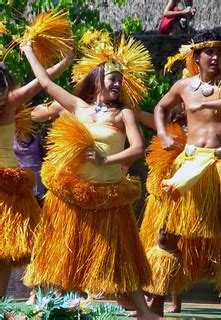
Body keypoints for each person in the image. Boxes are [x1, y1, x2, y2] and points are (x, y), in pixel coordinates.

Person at [21, 32, 160, 319]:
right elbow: (46, 84)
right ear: (98, 80)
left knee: (121, 255)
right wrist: (29, 51)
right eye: (113, 78)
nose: (118, 83)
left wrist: (106, 158)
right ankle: (54, 307)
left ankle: (144, 312)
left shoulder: (124, 115)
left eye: (120, 79)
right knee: (64, 250)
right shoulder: (78, 107)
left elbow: (137, 148)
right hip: (74, 192)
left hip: (107, 194)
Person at [140, 31, 221, 319]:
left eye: (218, 52)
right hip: (188, 166)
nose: (215, 57)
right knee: (166, 235)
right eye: (209, 53)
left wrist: (205, 104)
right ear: (197, 57)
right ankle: (156, 301)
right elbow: (161, 107)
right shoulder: (183, 85)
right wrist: (163, 133)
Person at [0, 49, 74, 298]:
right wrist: (65, 61)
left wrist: (64, 62)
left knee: (5, 252)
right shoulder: (11, 100)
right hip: (9, 183)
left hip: (8, 184)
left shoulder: (11, 101)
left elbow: (43, 82)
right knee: (4, 254)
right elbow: (43, 81)